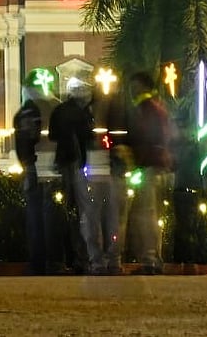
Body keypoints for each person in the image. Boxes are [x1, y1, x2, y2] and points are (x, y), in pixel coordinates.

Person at [125, 71, 173, 275]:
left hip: (149, 166)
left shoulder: (147, 109)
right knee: (149, 214)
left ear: (143, 86)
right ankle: (153, 258)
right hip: (155, 165)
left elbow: (146, 137)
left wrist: (137, 159)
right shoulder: (157, 107)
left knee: (147, 214)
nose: (131, 90)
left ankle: (151, 260)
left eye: (134, 85)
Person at [82, 85, 129, 275]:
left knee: (100, 219)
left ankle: (101, 260)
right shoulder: (115, 112)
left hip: (98, 173)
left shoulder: (88, 114)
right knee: (111, 219)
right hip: (105, 173)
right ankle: (109, 260)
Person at [47, 86, 92, 274]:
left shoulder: (59, 111)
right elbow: (88, 136)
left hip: (63, 161)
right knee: (81, 212)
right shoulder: (82, 113)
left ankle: (63, 259)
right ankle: (81, 259)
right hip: (78, 164)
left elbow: (52, 135)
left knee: (64, 210)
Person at [13, 72, 53, 274]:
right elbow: (34, 137)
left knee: (35, 217)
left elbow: (27, 139)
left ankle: (37, 263)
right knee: (40, 216)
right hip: (37, 166)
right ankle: (42, 262)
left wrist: (26, 163)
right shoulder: (36, 111)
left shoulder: (26, 112)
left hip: (32, 166)